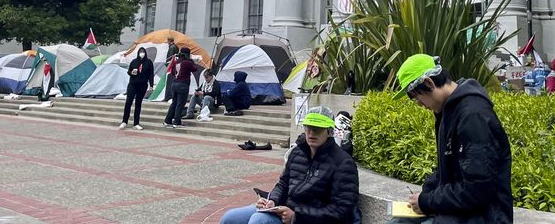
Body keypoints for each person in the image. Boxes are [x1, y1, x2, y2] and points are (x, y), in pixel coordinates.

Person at [392, 54, 512, 224]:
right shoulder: (447, 110)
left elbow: (478, 189)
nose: (421, 106)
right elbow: (449, 169)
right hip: (458, 212)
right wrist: (425, 194)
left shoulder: (472, 116)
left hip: (482, 217)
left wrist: (427, 201)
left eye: (418, 100)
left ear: (429, 83)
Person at [220, 106, 359, 224]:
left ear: (329, 131)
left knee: (259, 220)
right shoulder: (298, 152)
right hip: (283, 208)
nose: (311, 133)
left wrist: (297, 216)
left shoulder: (343, 163)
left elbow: (341, 210)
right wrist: (272, 201)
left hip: (308, 218)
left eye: (317, 129)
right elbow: (283, 184)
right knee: (229, 218)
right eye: (308, 128)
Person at [120, 47, 154, 130]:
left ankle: (136, 123)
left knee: (138, 104)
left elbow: (151, 74)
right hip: (133, 84)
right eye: (140, 52)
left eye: (143, 52)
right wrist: (131, 73)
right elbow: (129, 71)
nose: (142, 53)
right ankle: (124, 121)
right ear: (138, 53)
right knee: (128, 102)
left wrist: (151, 85)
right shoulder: (134, 61)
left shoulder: (149, 62)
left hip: (142, 85)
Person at [164, 48, 197, 128]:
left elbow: (172, 72)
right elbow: (195, 69)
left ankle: (167, 120)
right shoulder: (188, 62)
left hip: (174, 84)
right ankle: (177, 122)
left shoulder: (176, 62)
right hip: (183, 85)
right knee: (180, 104)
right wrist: (192, 61)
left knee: (174, 103)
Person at [163, 36, 179, 102]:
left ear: (169, 41)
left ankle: (168, 96)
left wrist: (167, 65)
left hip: (171, 67)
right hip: (175, 67)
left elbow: (170, 58)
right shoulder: (176, 47)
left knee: (169, 82)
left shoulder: (172, 48)